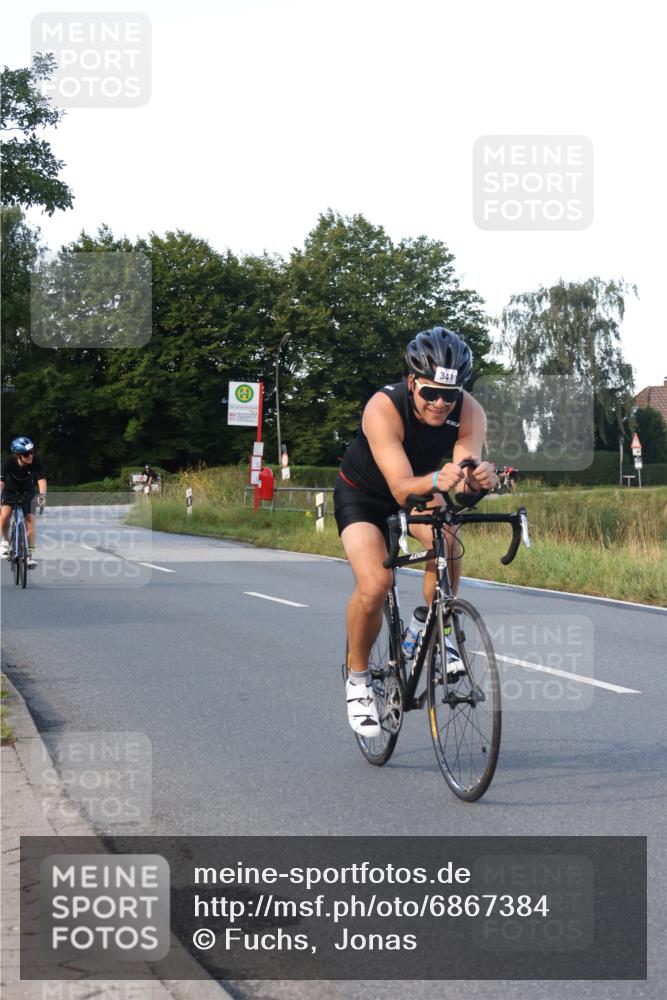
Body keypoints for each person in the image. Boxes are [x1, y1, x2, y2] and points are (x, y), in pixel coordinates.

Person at [334, 327, 497, 737]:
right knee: (376, 583)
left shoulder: (470, 412)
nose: (440, 403)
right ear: (412, 382)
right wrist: (441, 480)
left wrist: (477, 483)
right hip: (365, 495)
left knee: (449, 539)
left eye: (450, 395)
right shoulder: (383, 407)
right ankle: (357, 679)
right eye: (430, 393)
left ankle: (434, 623)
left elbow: (461, 485)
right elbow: (400, 489)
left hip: (422, 486)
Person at [1, 437, 47, 568]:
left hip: (27, 492)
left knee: (30, 522)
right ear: (18, 456)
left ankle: (29, 555)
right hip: (10, 491)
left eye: (31, 452)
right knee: (5, 516)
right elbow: (1, 482)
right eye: (26, 454)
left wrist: (42, 496)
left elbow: (41, 479)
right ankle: (4, 542)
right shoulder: (8, 462)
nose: (30, 455)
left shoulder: (36, 460)